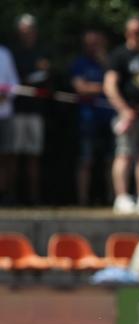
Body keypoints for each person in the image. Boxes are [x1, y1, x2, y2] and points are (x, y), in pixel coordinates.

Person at [104, 16, 139, 214]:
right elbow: (109, 85)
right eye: (135, 32)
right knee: (125, 154)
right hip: (128, 114)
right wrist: (123, 109)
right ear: (128, 33)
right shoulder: (118, 55)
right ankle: (122, 197)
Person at [70, 30, 114, 206]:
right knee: (85, 160)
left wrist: (105, 65)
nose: (93, 47)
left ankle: (113, 198)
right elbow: (81, 88)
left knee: (111, 160)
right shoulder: (80, 63)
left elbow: (118, 84)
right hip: (87, 118)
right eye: (89, 44)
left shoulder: (109, 63)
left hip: (109, 118)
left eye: (97, 44)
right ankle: (83, 200)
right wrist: (106, 88)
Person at [10, 14, 50, 204]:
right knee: (13, 155)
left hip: (35, 111)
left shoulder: (41, 52)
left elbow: (46, 77)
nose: (28, 34)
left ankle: (34, 198)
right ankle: (12, 197)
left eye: (31, 30)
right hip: (16, 110)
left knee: (34, 155)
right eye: (24, 30)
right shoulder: (13, 53)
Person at [0, 43, 18, 202]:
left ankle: (5, 193)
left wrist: (5, 96)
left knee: (6, 155)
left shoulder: (5, 54)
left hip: (5, 114)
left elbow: (14, 83)